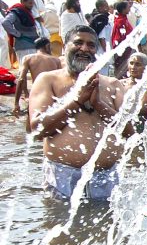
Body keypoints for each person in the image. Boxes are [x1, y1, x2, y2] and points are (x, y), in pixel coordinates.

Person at [28, 25, 133, 200]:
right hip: (62, 177)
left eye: (91, 45)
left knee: (108, 227)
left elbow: (129, 131)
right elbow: (37, 129)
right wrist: (76, 101)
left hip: (106, 178)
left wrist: (98, 104)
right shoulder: (48, 80)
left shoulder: (112, 84)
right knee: (59, 224)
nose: (84, 48)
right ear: (64, 47)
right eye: (78, 43)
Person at [13, 37, 62, 117]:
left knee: (31, 123)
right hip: (53, 96)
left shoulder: (28, 58)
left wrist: (16, 103)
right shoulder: (56, 60)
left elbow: (21, 79)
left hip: (36, 94)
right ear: (47, 46)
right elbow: (61, 81)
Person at [2, 0, 38, 67]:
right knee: (24, 70)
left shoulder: (30, 12)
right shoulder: (16, 12)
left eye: (32, 3)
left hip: (33, 44)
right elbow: (5, 23)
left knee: (34, 69)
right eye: (29, 3)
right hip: (23, 46)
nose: (31, 5)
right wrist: (17, 34)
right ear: (22, 2)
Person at [111, 0, 134, 79]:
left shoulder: (124, 19)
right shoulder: (120, 21)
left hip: (127, 47)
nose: (130, 8)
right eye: (128, 7)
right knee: (121, 68)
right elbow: (119, 37)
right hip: (123, 49)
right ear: (123, 9)